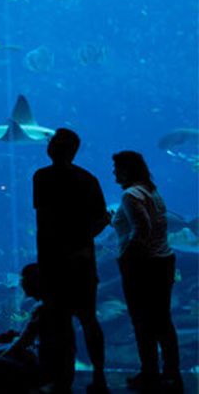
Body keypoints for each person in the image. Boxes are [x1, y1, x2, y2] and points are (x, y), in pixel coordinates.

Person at [32, 128, 109, 393]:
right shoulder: (88, 179)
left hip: (54, 263)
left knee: (60, 322)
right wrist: (81, 242)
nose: (49, 144)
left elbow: (43, 223)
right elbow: (102, 219)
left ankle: (63, 379)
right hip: (81, 261)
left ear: (58, 148)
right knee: (88, 319)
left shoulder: (41, 177)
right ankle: (98, 375)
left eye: (53, 141)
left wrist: (44, 263)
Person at [111, 151, 182, 392]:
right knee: (162, 321)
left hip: (143, 266)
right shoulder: (152, 191)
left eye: (117, 168)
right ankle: (171, 372)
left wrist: (126, 259)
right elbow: (157, 223)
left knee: (142, 322)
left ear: (127, 170)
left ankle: (149, 372)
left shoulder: (130, 195)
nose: (114, 173)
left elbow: (142, 229)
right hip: (163, 260)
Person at [0, 263, 48, 393]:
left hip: (45, 369)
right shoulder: (43, 305)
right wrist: (4, 337)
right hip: (41, 361)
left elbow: (23, 343)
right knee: (2, 352)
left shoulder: (43, 309)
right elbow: (28, 335)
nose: (21, 284)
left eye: (24, 280)